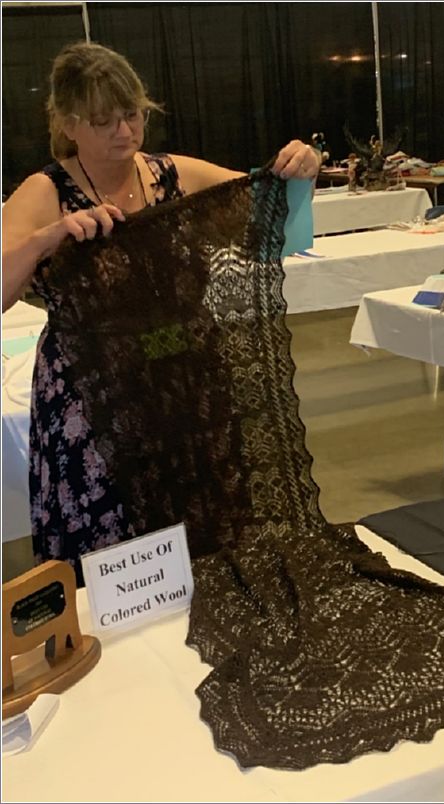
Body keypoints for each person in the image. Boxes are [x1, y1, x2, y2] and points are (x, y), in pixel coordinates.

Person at [2, 41, 321, 584]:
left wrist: (302, 168)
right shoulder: (45, 190)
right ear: (69, 123)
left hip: (182, 385)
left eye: (133, 115)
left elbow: (272, 204)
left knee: (202, 520)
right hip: (92, 395)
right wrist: (48, 237)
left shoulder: (171, 173)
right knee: (110, 533)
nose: (124, 132)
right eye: (104, 121)